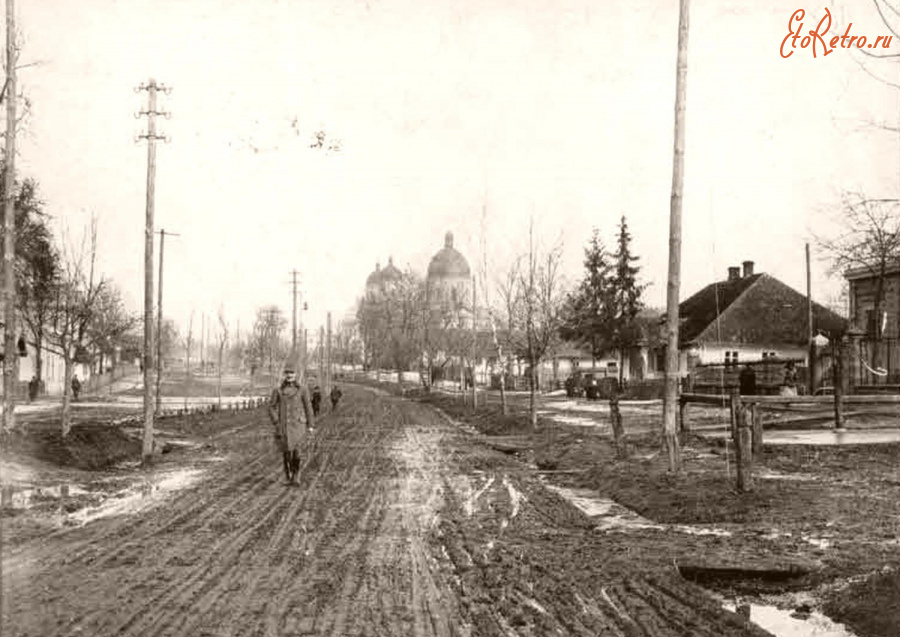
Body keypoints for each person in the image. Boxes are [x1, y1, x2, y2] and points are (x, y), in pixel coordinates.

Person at [268, 365, 315, 486]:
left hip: (298, 426)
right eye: (287, 373)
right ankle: (288, 476)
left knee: (297, 452)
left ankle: (296, 476)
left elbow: (308, 408)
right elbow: (271, 407)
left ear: (296, 374)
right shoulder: (278, 390)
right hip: (283, 427)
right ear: (284, 374)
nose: (289, 375)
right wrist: (276, 422)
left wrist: (310, 425)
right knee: (287, 452)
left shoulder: (302, 390)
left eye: (292, 373)